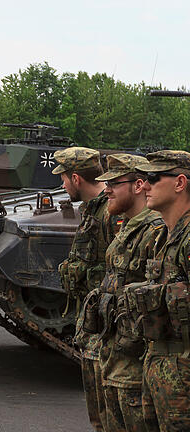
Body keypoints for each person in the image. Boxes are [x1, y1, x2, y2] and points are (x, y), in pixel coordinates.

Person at [79, 154, 164, 432]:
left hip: (135, 361)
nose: (106, 190)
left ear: (138, 185)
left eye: (114, 183)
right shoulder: (126, 227)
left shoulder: (155, 231)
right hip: (113, 354)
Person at [121, 150, 190, 431]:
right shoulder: (164, 236)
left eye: (152, 177)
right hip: (159, 371)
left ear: (180, 183)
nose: (144, 185)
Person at [54, 147, 120, 431]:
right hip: (92, 326)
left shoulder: (110, 213)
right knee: (99, 416)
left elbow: (119, 271)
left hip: (106, 332)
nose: (62, 184)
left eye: (64, 178)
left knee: (110, 415)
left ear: (77, 178)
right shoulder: (93, 211)